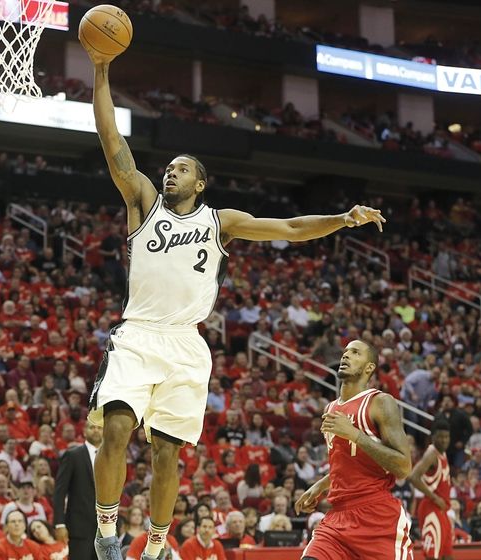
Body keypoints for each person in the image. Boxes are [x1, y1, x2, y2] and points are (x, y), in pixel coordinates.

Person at [82, 39, 386, 560]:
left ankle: (155, 547)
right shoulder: (142, 201)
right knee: (114, 429)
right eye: (169, 167)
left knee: (166, 454)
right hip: (138, 333)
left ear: (200, 182)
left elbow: (289, 228)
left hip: (186, 343)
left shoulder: (220, 222)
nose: (170, 172)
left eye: (181, 169)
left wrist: (341, 219)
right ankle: (107, 536)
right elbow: (111, 139)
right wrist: (102, 70)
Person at [295, 340, 413, 560]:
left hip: (377, 518)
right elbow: (350, 462)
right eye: (345, 352)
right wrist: (320, 485)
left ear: (369, 367)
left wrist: (355, 435)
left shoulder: (380, 403)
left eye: (355, 352)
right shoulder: (331, 408)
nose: (346, 356)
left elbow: (403, 466)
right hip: (337, 517)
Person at [53, 419, 101, 560]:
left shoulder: (111, 456)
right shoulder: (73, 455)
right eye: (92, 427)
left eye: (99, 427)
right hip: (79, 528)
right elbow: (60, 492)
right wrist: (59, 523)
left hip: (105, 530)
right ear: (84, 431)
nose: (96, 430)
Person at [408, 420, 453, 560]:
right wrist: (434, 497)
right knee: (432, 556)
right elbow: (413, 477)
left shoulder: (442, 453)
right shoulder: (431, 455)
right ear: (432, 437)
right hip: (431, 509)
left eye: (446, 437)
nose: (444, 440)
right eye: (440, 437)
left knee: (447, 555)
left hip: (442, 510)